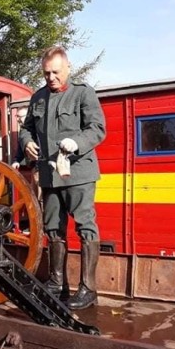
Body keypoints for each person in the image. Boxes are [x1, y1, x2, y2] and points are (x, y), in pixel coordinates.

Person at [19, 46, 106, 310]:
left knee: (85, 227)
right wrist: (26, 143)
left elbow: (97, 129)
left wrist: (76, 142)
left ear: (67, 68)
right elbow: (26, 129)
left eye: (56, 72)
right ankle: (57, 283)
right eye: (46, 74)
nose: (51, 78)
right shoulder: (38, 98)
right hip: (49, 174)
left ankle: (88, 289)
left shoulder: (83, 93)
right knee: (54, 228)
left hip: (78, 174)